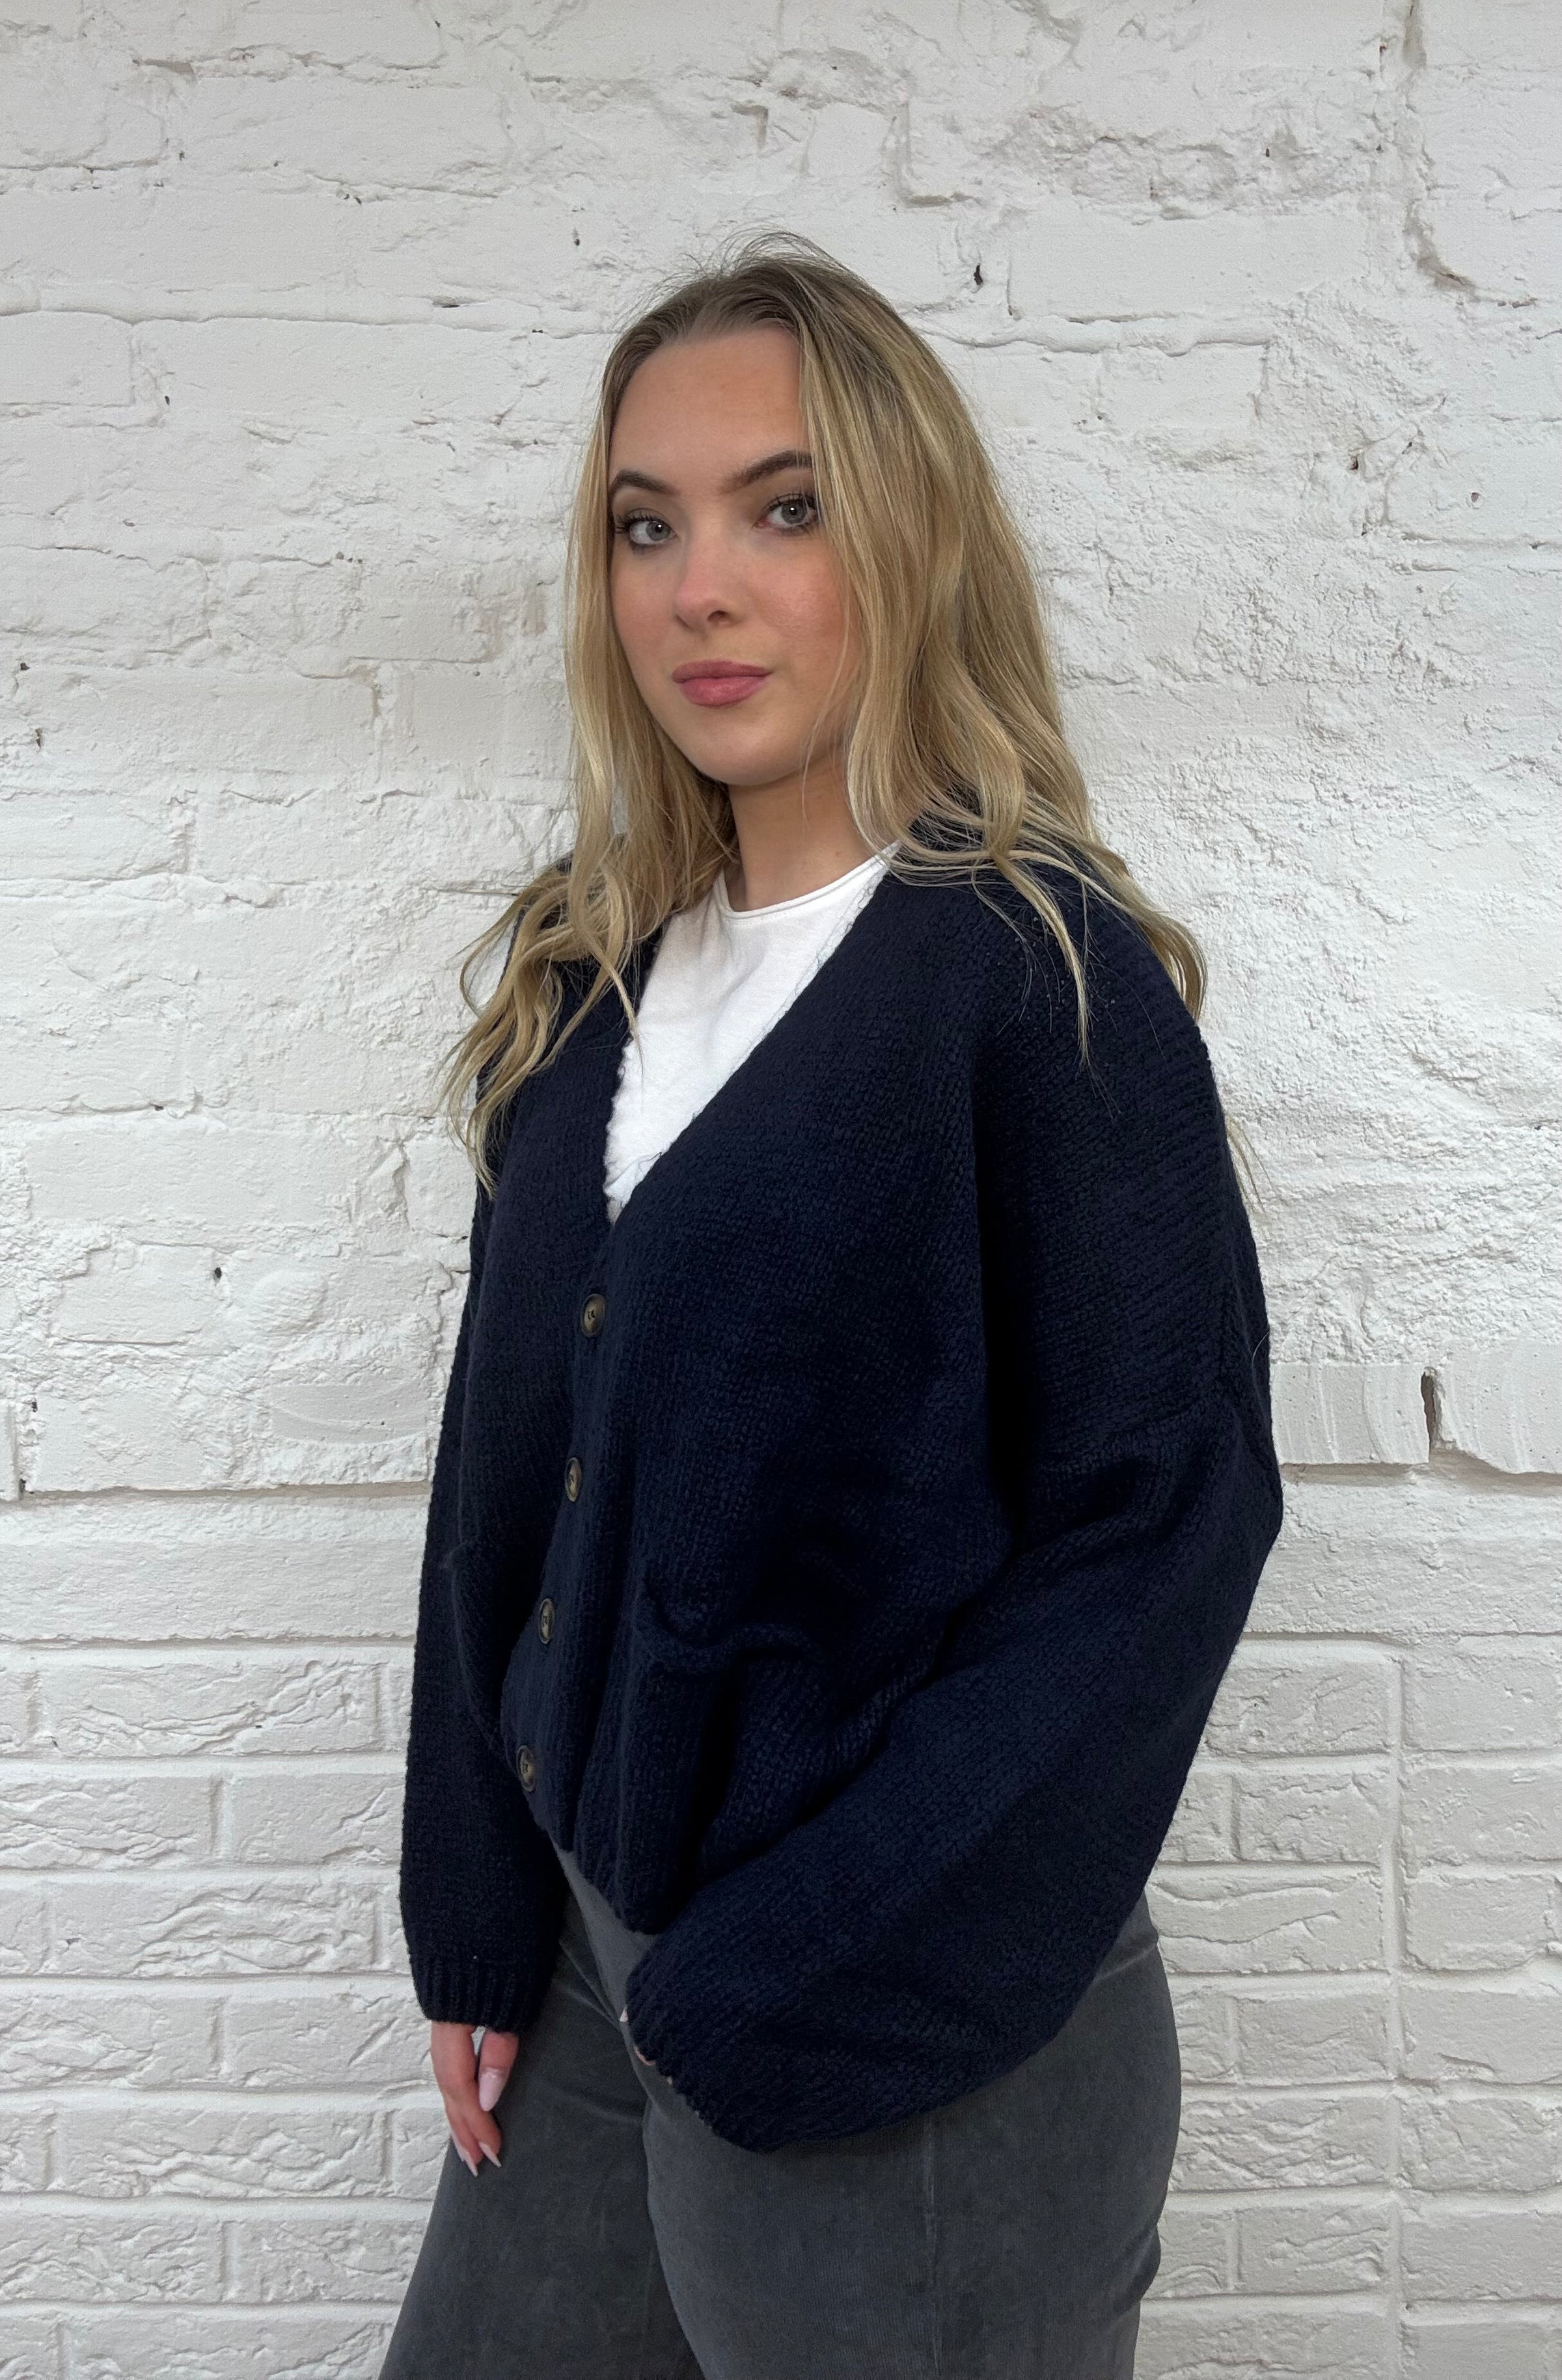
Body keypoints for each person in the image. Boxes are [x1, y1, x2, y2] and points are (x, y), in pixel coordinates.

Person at [379, 234, 1283, 2380]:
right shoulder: (606, 974)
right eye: (648, 525)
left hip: (907, 2040)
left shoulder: (1031, 979)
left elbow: (1167, 1524)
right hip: (601, 1970)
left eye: (781, 510)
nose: (702, 588)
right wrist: (479, 1898)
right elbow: (503, 1478)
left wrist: (791, 1961)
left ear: (906, 538)